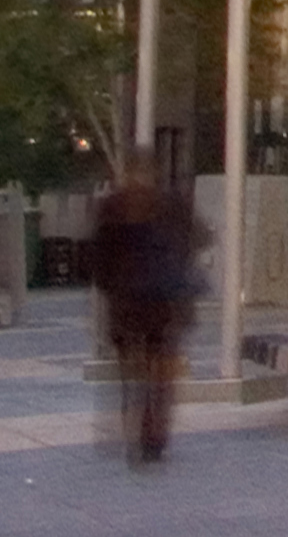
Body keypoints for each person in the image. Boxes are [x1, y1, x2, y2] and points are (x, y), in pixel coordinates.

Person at [87, 169, 198, 467]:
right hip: (160, 307)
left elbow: (98, 263)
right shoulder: (170, 206)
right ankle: (153, 438)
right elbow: (191, 243)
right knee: (158, 377)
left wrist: (113, 287)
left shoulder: (112, 207)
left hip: (126, 308)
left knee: (129, 377)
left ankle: (135, 434)